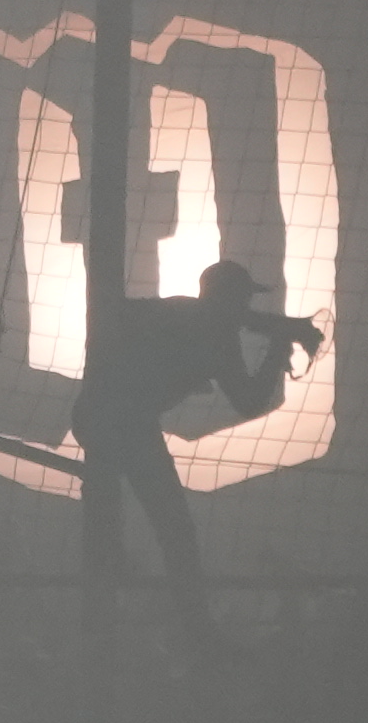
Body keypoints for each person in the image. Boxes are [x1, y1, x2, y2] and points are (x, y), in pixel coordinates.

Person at [70, 257, 320, 661]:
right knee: (175, 530)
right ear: (230, 297)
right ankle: (196, 633)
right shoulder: (217, 336)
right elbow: (249, 399)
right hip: (128, 423)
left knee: (110, 522)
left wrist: (275, 327)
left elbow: (228, 317)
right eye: (240, 297)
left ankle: (108, 626)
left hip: (100, 413)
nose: (243, 306)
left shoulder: (180, 308)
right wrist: (278, 348)